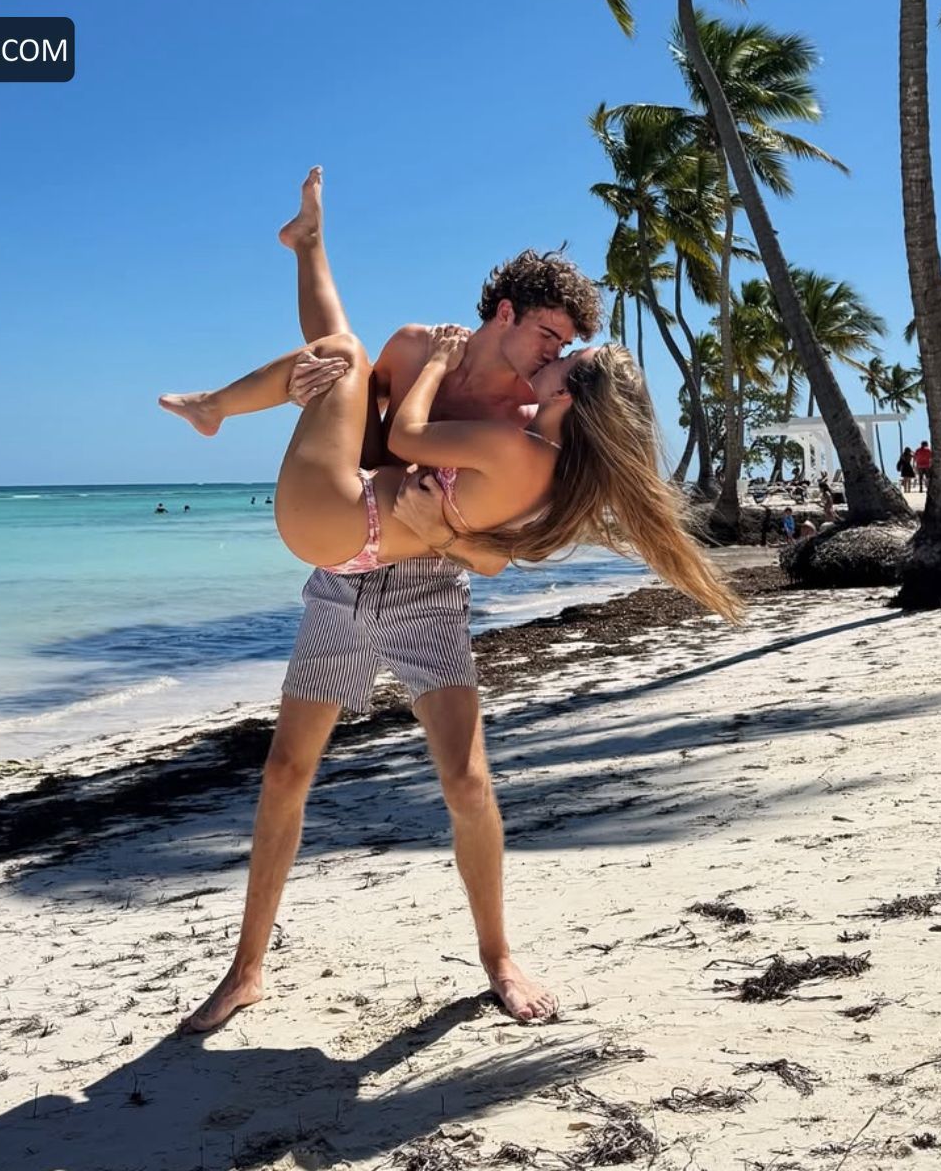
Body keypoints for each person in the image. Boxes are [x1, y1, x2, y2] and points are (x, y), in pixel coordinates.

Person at [162, 169, 738, 1034]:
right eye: (550, 335)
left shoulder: (523, 421)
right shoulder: (415, 351)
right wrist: (352, 405)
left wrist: (449, 539)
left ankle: (499, 957)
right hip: (344, 571)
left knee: (467, 784)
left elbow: (500, 553)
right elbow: (360, 418)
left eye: (566, 349)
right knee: (284, 772)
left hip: (427, 588)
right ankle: (245, 971)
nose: (551, 356)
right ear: (505, 311)